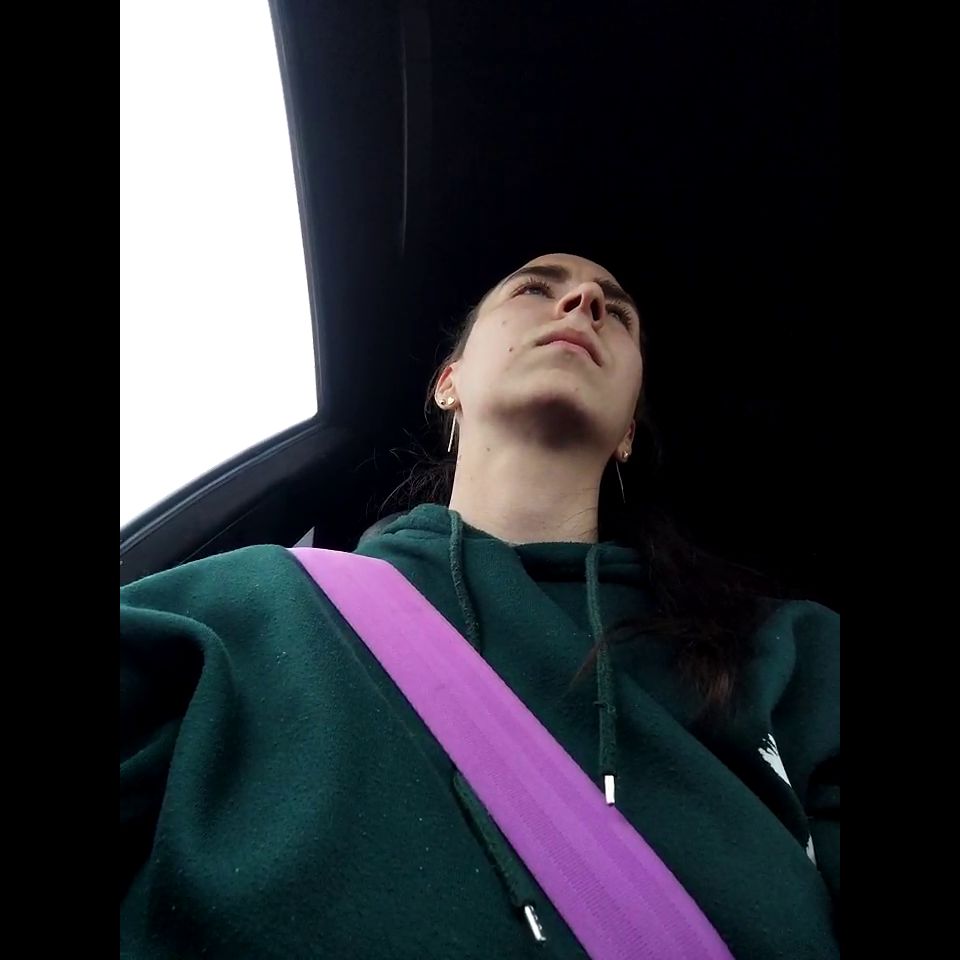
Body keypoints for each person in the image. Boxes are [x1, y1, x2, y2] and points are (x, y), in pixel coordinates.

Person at [121, 253, 840, 959]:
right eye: (534, 289)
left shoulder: (782, 648)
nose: (584, 303)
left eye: (617, 313)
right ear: (450, 383)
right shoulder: (252, 601)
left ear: (628, 433)